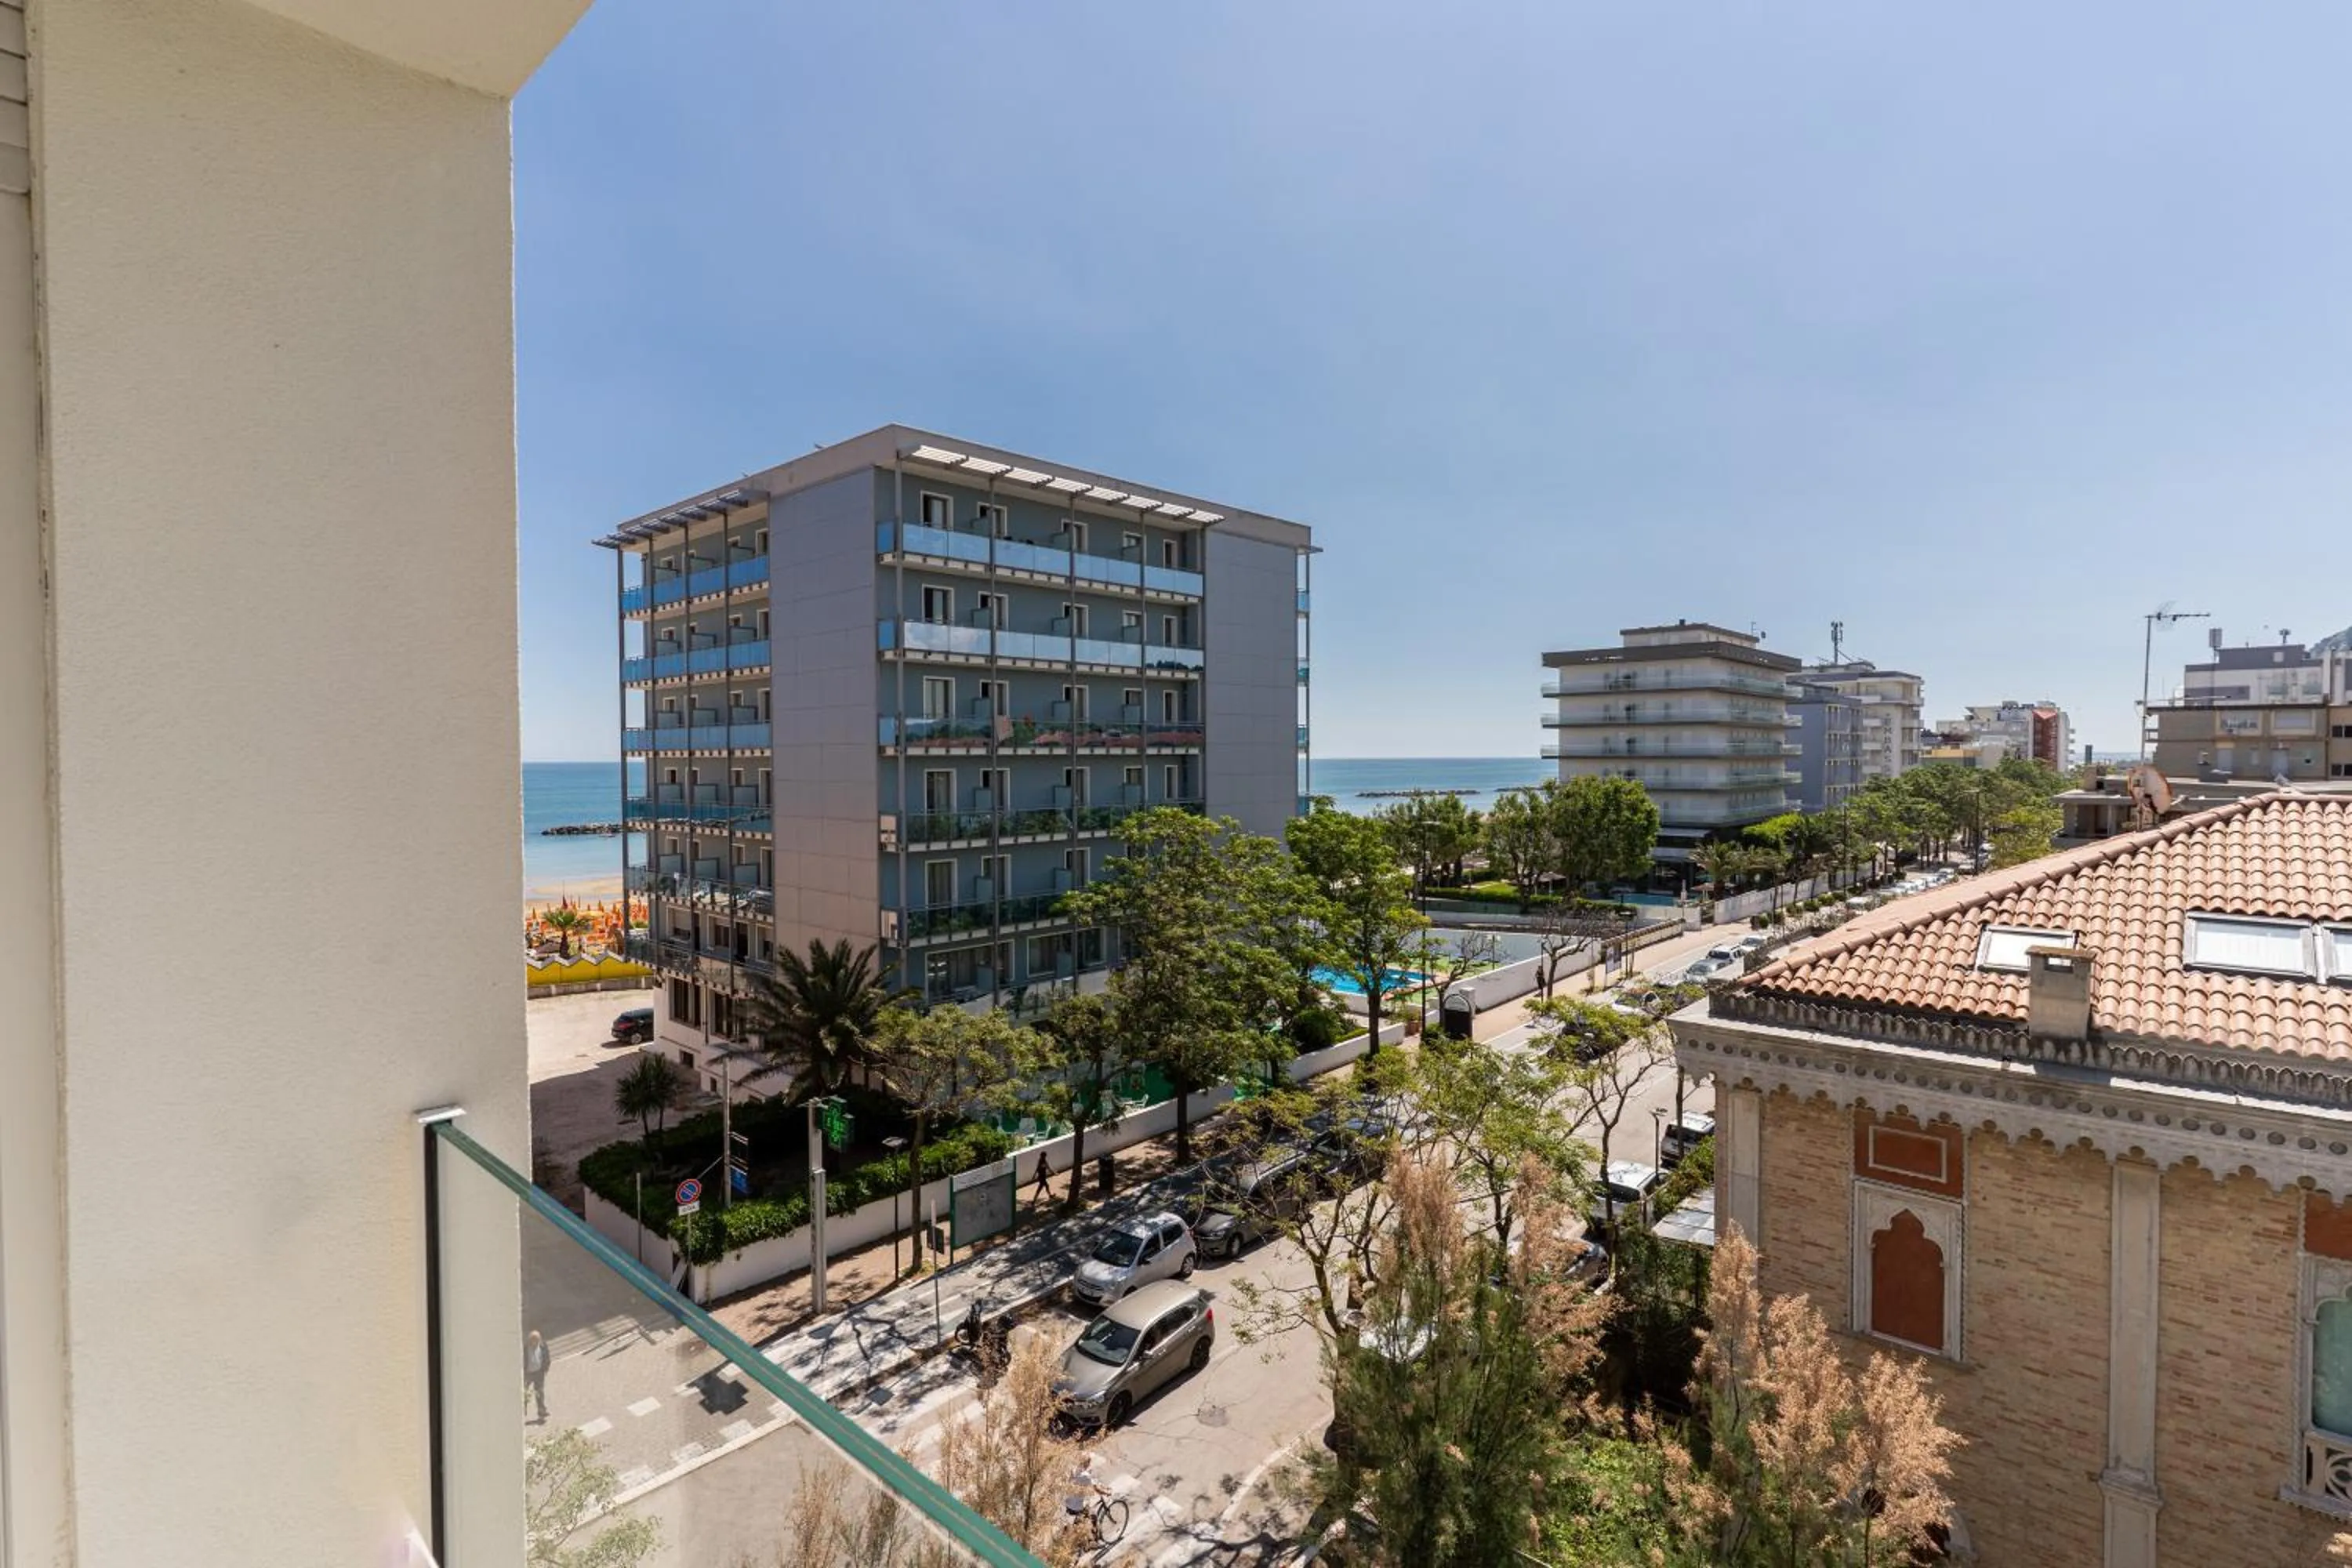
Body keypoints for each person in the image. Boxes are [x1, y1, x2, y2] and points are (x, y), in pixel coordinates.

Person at [1063, 1451, 1101, 1525]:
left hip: (1068, 1504)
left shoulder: (1074, 1470)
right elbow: (1096, 1488)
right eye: (1089, 1461)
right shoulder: (1086, 1476)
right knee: (1093, 1516)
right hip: (1077, 1507)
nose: (1090, 1463)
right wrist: (1106, 1492)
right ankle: (1096, 1535)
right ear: (1086, 1462)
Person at [523, 1329, 550, 1424]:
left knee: (540, 1393)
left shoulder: (543, 1346)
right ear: (530, 1340)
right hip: (528, 1374)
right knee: (524, 1393)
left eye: (538, 1340)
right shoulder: (525, 1348)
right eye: (534, 1341)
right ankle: (522, 1412)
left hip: (539, 1373)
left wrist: (545, 1368)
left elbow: (546, 1357)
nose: (536, 1343)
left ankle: (542, 1412)